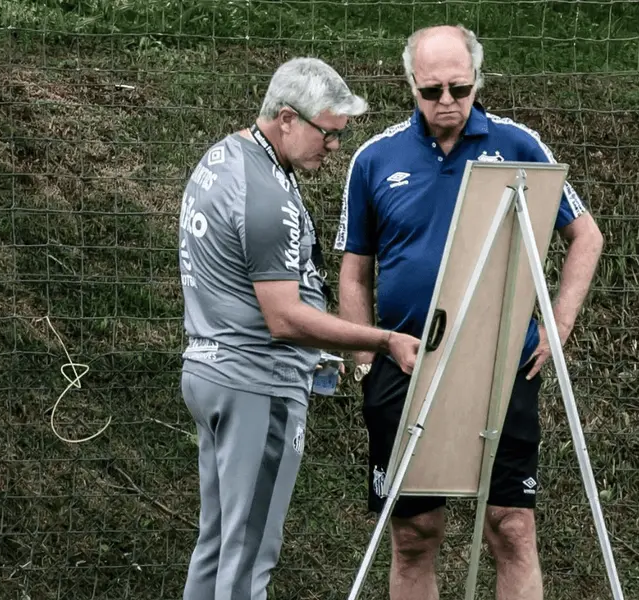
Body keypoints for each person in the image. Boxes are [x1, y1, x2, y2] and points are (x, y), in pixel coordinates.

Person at [334, 25, 605, 600]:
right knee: (414, 535)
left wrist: (557, 327)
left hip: (502, 362)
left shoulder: (519, 145)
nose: (447, 101)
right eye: (431, 90)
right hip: (406, 363)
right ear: (410, 83)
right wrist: (365, 360)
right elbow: (355, 270)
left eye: (459, 88)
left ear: (478, 79)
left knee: (512, 527)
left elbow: (586, 236)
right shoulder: (374, 158)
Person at [176, 56, 422, 600]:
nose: (333, 147)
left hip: (211, 368)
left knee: (217, 543)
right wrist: (381, 339)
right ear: (287, 118)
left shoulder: (224, 156)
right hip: (257, 384)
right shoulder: (265, 195)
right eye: (327, 133)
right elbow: (284, 318)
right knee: (249, 556)